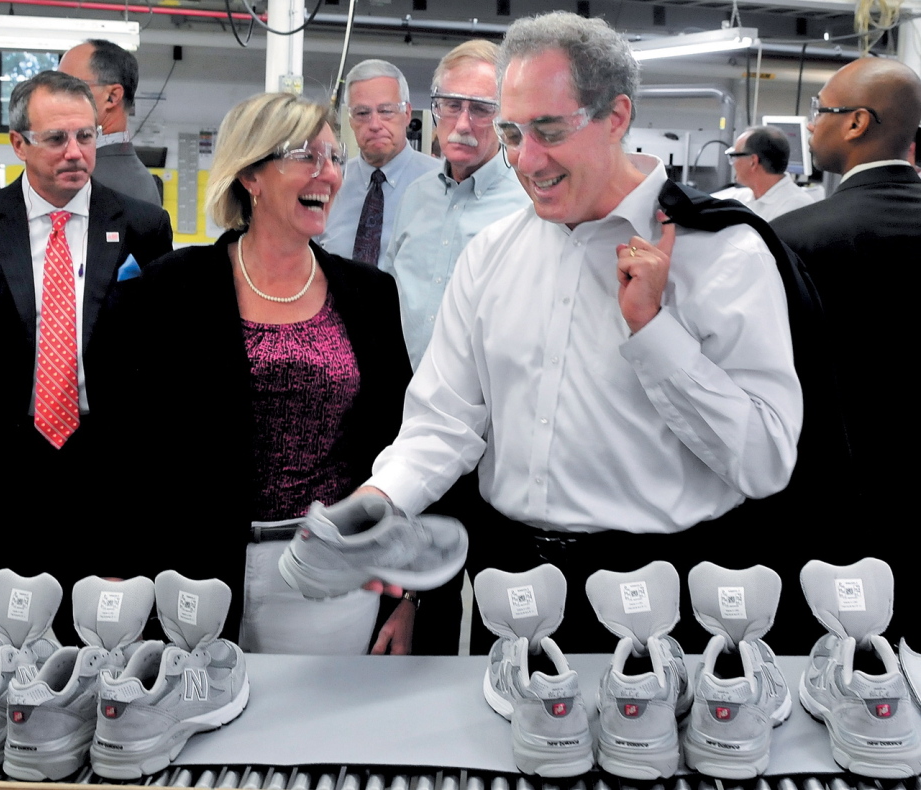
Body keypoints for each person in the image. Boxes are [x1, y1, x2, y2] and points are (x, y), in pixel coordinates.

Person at [360, 11, 803, 653]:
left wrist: (654, 332)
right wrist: (378, 503)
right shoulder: (491, 255)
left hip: (658, 596)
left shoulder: (722, 254)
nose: (525, 160)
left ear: (616, 116)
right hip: (508, 587)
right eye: (513, 132)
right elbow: (445, 423)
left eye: (548, 129)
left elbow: (764, 460)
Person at [132, 93, 413, 654]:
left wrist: (406, 595)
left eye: (335, 158)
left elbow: (399, 441)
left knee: (318, 735)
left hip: (332, 570)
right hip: (198, 567)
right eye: (307, 155)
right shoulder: (174, 289)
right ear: (251, 176)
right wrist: (125, 570)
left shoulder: (368, 294)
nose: (328, 174)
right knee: (209, 733)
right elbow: (135, 442)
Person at [0, 70, 172, 644]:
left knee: (107, 620)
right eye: (56, 139)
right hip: (9, 453)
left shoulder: (141, 225)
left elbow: (157, 339)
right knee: (10, 620)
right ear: (19, 143)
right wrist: (23, 406)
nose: (75, 153)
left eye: (86, 137)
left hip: (109, 456)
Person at [772, 57, 921, 642]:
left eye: (821, 112)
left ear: (857, 123)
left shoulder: (795, 238)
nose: (811, 126)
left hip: (826, 500)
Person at [382, 40, 530, 370]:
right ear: (436, 108)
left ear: (504, 118)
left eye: (480, 108)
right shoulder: (415, 197)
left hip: (480, 409)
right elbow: (391, 295)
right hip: (400, 396)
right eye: (451, 105)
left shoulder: (528, 206)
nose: (463, 124)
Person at [316, 60, 439, 264]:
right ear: (350, 120)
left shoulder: (441, 184)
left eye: (386, 111)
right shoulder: (329, 185)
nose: (374, 124)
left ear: (407, 113)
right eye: (363, 113)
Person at [59, 39, 163, 206]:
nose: (56, 98)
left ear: (112, 96)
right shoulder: (136, 178)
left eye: (69, 87)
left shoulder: (86, 180)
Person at [725, 125, 815, 221]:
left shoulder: (795, 206)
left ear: (753, 161)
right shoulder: (741, 197)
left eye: (734, 156)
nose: (733, 164)